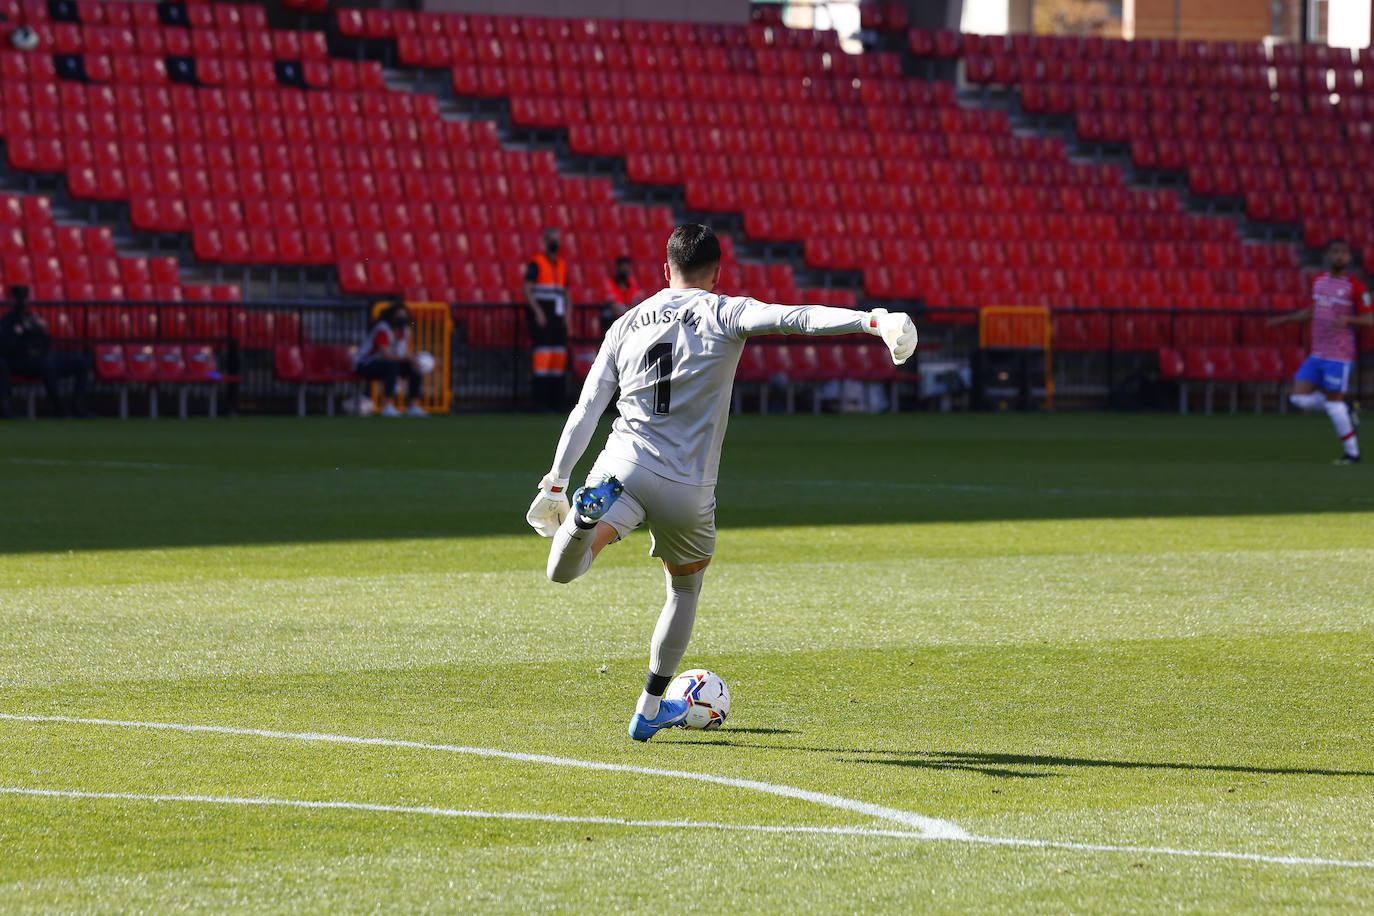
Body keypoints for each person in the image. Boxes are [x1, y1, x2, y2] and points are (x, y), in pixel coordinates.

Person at [524, 224, 916, 741]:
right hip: (687, 487)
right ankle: (648, 707)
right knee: (684, 588)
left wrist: (556, 481)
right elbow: (797, 318)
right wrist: (872, 320)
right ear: (716, 274)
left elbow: (587, 409)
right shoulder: (725, 312)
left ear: (666, 269)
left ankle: (582, 519)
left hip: (622, 466)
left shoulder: (626, 323)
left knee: (563, 570)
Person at [1268, 238, 1372, 464]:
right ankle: (1345, 407)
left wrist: (1349, 319)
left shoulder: (1357, 286)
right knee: (1299, 398)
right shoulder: (1319, 282)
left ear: (1348, 258)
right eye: (1334, 252)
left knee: (1333, 404)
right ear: (1326, 256)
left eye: (1343, 252)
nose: (1339, 256)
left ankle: (1352, 453)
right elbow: (1311, 312)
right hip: (1317, 353)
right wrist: (1284, 320)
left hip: (1339, 354)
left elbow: (1370, 319)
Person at [0, 284, 92, 417]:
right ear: (11, 300)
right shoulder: (7, 322)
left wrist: (43, 330)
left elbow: (45, 343)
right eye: (19, 298)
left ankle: (78, 406)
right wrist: (17, 334)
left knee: (81, 362)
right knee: (47, 366)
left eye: (24, 298)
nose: (22, 302)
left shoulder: (33, 319)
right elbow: (6, 349)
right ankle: (59, 409)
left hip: (44, 357)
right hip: (23, 362)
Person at [354, 302, 427, 417]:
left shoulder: (406, 329)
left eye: (404, 316)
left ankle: (413, 406)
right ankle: (387, 405)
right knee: (391, 365)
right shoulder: (383, 328)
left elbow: (413, 327)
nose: (402, 319)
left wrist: (414, 359)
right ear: (391, 316)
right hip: (366, 364)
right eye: (399, 316)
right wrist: (408, 357)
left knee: (416, 367)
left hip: (389, 363)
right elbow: (386, 355)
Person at [523, 227, 569, 410]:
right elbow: (527, 290)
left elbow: (566, 293)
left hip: (558, 318)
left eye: (557, 239)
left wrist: (568, 315)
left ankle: (556, 401)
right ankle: (540, 402)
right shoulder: (537, 263)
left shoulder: (562, 265)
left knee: (558, 356)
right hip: (544, 317)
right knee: (543, 358)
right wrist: (538, 312)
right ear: (545, 240)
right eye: (552, 239)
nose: (555, 242)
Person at [601, 255, 642, 334]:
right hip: (615, 313)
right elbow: (614, 305)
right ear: (617, 268)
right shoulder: (610, 283)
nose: (625, 270)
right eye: (623, 267)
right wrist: (626, 314)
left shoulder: (632, 282)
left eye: (627, 267)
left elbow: (637, 300)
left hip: (628, 310)